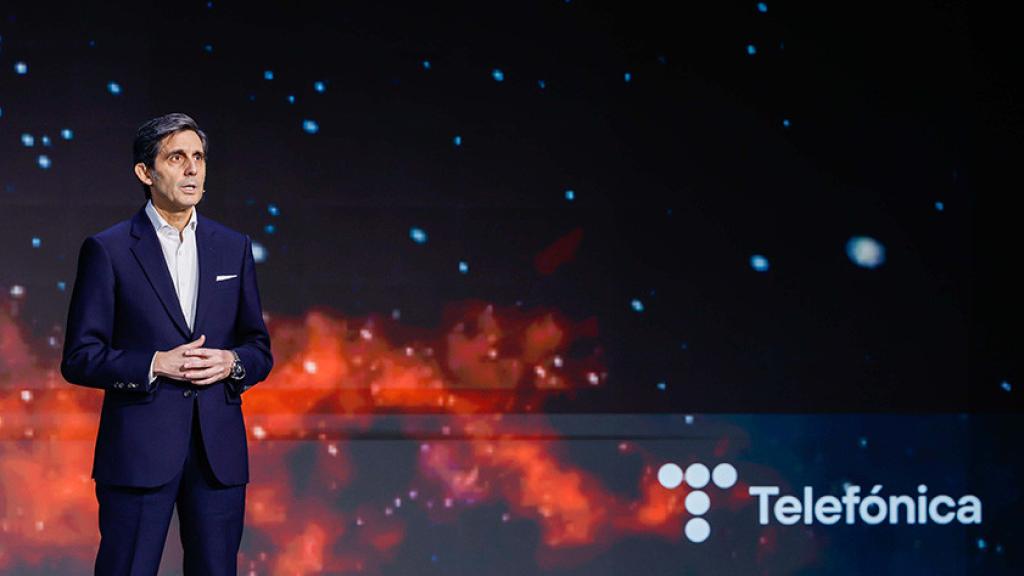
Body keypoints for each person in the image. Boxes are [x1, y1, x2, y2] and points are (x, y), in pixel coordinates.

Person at [61, 113, 273, 575]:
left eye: (198, 157)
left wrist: (231, 362)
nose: (192, 169)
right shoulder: (109, 249)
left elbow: (259, 348)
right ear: (145, 172)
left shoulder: (232, 247)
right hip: (138, 452)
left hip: (217, 455)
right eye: (177, 157)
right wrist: (154, 363)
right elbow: (80, 358)